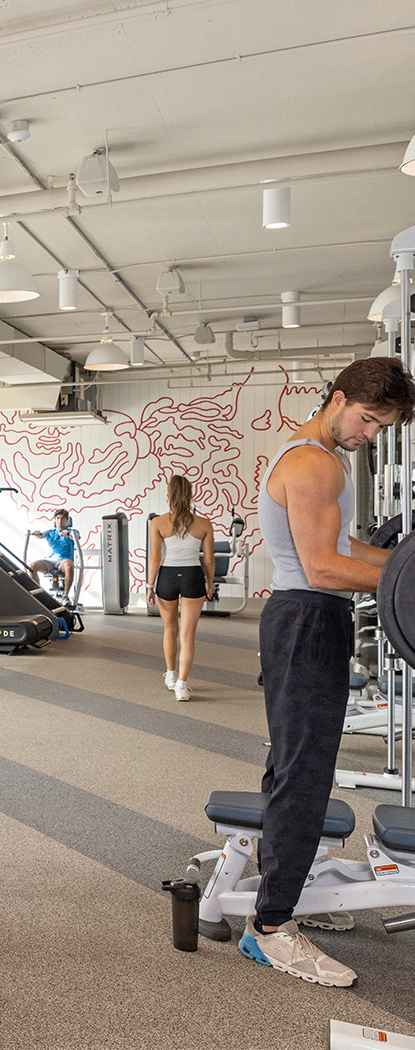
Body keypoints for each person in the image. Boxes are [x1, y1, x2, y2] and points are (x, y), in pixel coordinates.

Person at [239, 357, 415, 988]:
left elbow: (344, 551)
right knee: (306, 771)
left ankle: (283, 887)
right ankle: (271, 928)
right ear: (338, 399)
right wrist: (404, 579)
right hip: (308, 616)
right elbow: (322, 568)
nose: (370, 435)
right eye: (368, 420)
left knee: (293, 762)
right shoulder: (313, 462)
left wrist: (402, 563)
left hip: (307, 619)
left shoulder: (316, 458)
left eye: (382, 426)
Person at [145, 476, 215, 701]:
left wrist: (149, 586)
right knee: (187, 635)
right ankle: (182, 687)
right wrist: (209, 584)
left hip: (166, 577)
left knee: (170, 630)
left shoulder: (157, 523)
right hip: (192, 576)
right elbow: (210, 560)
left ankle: (171, 676)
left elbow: (155, 557)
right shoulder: (204, 523)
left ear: (169, 495)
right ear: (191, 494)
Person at [29, 509, 76, 601]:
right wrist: (37, 534)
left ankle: (65, 596)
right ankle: (40, 595)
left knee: (70, 567)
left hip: (64, 561)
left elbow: (75, 536)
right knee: (32, 567)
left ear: (67, 520)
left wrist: (69, 534)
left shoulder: (72, 532)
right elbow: (42, 535)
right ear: (54, 519)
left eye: (62, 518)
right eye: (57, 518)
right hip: (50, 561)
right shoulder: (50, 532)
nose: (60, 521)